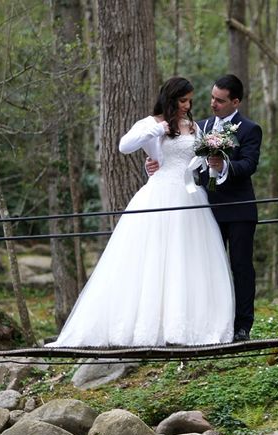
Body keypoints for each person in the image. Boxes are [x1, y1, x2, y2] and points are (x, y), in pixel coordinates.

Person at [46, 77, 234, 348]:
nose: (187, 105)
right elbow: (125, 145)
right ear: (170, 99)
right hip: (159, 194)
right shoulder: (151, 123)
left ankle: (186, 325)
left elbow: (201, 163)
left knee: (187, 257)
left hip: (191, 197)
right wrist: (156, 132)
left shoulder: (193, 126)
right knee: (154, 257)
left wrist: (214, 161)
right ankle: (146, 326)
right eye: (183, 100)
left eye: (190, 100)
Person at [147, 74, 261, 342]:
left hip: (240, 209)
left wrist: (224, 166)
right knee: (207, 268)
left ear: (235, 101)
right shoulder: (201, 127)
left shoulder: (249, 129)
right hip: (206, 210)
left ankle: (242, 326)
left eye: (220, 100)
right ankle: (212, 323)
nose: (213, 104)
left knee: (241, 266)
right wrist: (153, 165)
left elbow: (249, 165)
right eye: (211, 98)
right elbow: (181, 158)